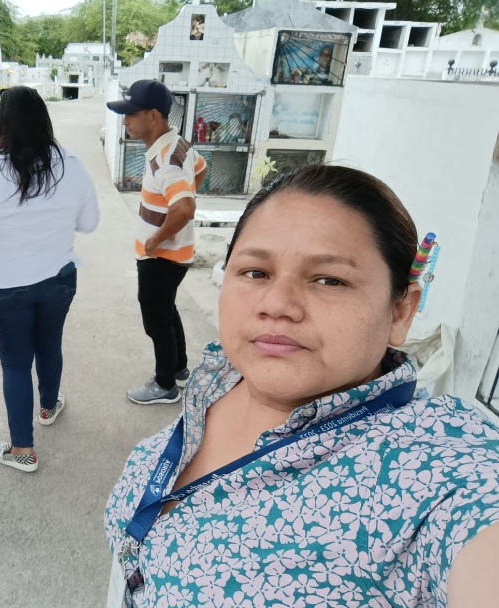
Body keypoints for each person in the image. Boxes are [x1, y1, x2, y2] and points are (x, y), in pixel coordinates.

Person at [104, 164, 499, 608]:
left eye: (329, 280)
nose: (277, 304)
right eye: (256, 272)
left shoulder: (437, 464)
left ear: (401, 311)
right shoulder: (219, 382)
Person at [0, 86, 99, 473]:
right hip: (59, 278)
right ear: (44, 120)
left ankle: (22, 451)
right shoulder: (71, 164)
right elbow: (89, 223)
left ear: (1, 124)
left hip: (6, 285)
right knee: (49, 343)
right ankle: (49, 406)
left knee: (15, 363)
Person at [107, 79, 207, 405]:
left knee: (156, 322)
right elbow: (202, 168)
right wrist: (177, 199)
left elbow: (185, 208)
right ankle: (179, 369)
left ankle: (165, 385)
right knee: (167, 312)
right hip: (177, 255)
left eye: (130, 114)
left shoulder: (165, 159)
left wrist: (155, 240)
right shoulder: (178, 144)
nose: (125, 121)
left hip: (161, 257)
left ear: (152, 115)